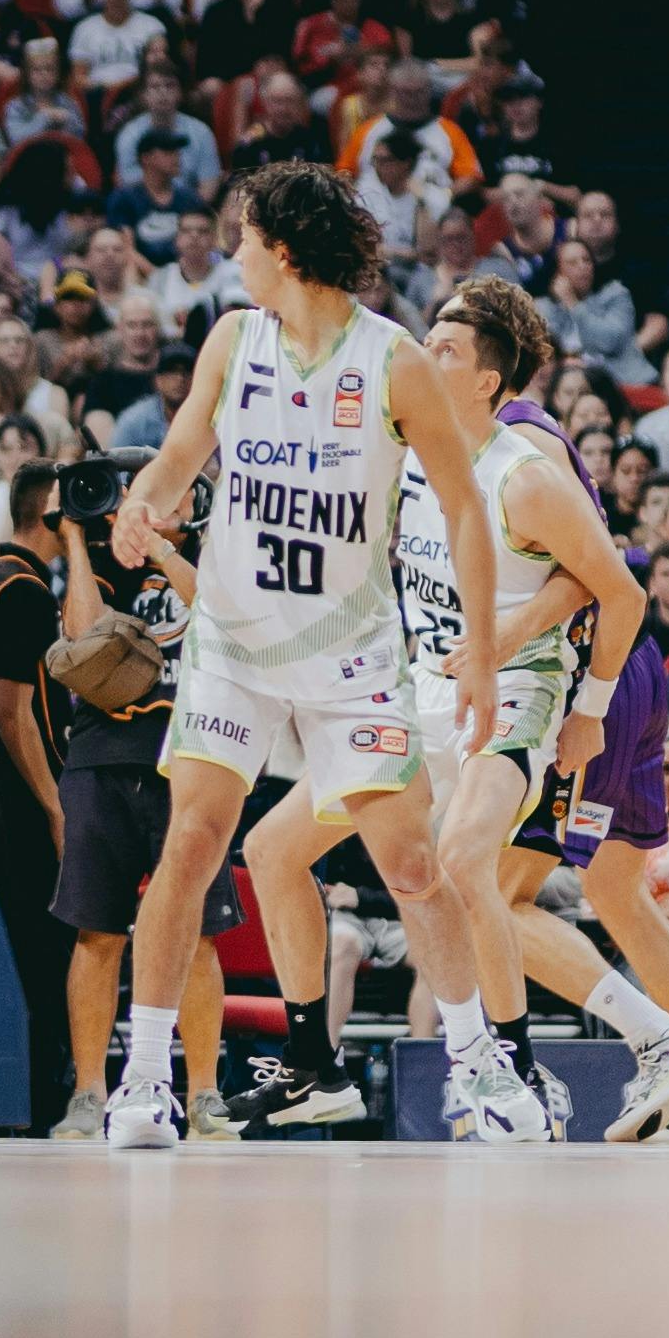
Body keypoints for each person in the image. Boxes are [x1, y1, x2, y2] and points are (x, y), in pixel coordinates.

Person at [96, 159, 516, 1148]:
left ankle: (481, 1072)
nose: (233, 253)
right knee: (190, 849)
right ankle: (146, 1084)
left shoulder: (396, 361)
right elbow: (183, 449)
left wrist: (483, 653)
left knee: (412, 865)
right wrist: (148, 498)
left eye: (243, 238)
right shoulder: (233, 340)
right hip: (234, 644)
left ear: (283, 250)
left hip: (350, 653)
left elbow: (462, 509)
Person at [401, 275, 669, 1138]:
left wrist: (515, 639)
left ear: (491, 372)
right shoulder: (480, 437)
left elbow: (595, 582)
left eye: (447, 341)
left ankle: (663, 1047)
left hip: (595, 671)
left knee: (498, 891)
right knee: (616, 889)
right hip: (604, 669)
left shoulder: (520, 448)